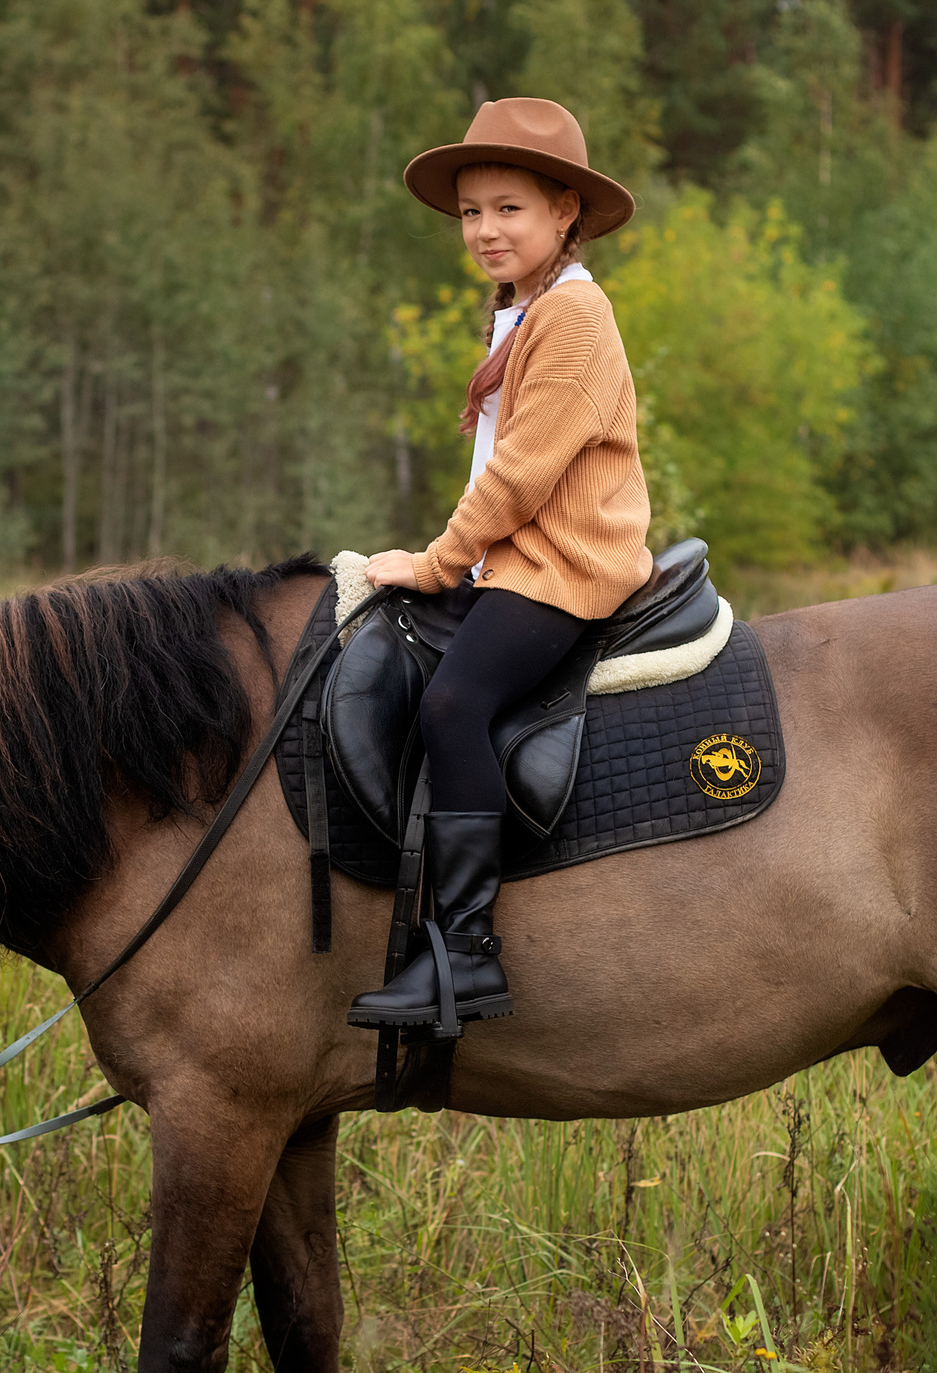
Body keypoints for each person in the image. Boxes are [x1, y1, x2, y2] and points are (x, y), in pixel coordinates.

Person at [348, 97, 654, 1032]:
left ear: (565, 210)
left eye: (509, 208)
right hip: (514, 559)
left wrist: (438, 562)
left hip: (564, 564)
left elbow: (520, 475)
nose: (485, 230)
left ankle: (468, 951)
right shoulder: (519, 310)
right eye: (473, 212)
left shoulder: (575, 318)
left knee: (453, 702)